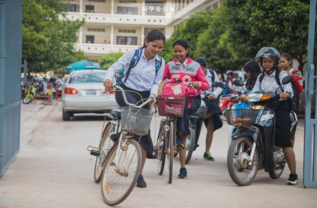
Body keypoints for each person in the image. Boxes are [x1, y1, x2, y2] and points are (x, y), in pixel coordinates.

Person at [103, 29, 166, 188]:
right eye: (154, 46)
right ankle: (123, 133)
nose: (156, 50)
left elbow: (156, 83)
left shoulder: (160, 62)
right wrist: (108, 79)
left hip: (145, 96)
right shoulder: (133, 55)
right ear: (146, 42)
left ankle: (139, 174)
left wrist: (153, 96)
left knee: (143, 136)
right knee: (135, 115)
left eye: (160, 47)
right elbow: (113, 67)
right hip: (126, 91)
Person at [162, 39, 209, 178]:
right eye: (175, 51)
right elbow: (163, 81)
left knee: (183, 110)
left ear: (187, 50)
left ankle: (178, 136)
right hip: (173, 99)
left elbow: (206, 85)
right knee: (182, 128)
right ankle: (183, 167)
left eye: (180, 51)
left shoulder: (195, 66)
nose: (177, 54)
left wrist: (197, 84)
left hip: (191, 99)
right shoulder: (169, 65)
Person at [253, 47, 298, 185]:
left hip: (280, 107)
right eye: (264, 61)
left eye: (269, 61)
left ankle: (293, 174)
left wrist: (286, 94)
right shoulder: (261, 77)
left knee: (285, 142)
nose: (266, 64)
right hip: (264, 106)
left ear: (274, 62)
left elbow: (289, 89)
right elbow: (254, 91)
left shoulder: (282, 75)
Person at [194, 57, 223, 161]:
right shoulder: (192, 73)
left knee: (211, 125)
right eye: (198, 68)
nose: (200, 70)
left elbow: (219, 87)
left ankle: (207, 151)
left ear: (206, 67)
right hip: (196, 98)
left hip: (209, 100)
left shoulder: (212, 73)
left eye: (202, 68)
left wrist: (213, 94)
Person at [278, 53, 303, 148]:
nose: (281, 64)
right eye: (280, 62)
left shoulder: (296, 72)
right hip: (280, 102)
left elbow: (300, 88)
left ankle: (290, 150)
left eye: (283, 61)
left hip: (292, 102)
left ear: (289, 62)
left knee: (291, 129)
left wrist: (292, 77)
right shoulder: (279, 73)